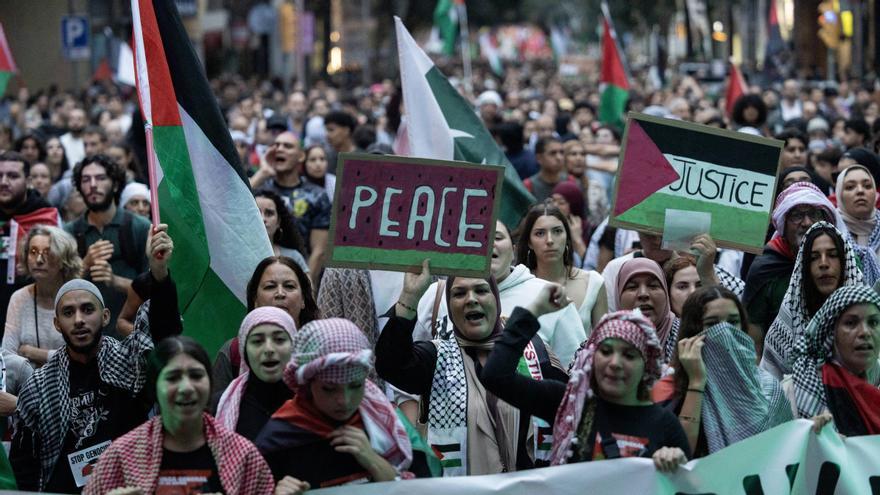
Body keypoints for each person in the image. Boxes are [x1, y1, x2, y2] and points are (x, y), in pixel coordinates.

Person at [9, 225, 181, 493]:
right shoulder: (39, 386)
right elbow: (24, 466)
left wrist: (158, 273)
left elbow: (164, 334)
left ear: (105, 317)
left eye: (87, 310)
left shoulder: (129, 362)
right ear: (56, 323)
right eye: (68, 312)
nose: (78, 320)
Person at [376, 261, 568, 475]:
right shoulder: (436, 357)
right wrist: (410, 297)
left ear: (496, 299)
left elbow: (571, 408)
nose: (471, 299)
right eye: (459, 294)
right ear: (449, 306)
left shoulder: (535, 350)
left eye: (481, 290)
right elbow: (389, 365)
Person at [480, 291, 690, 471]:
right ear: (591, 358)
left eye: (628, 355)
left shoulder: (666, 426)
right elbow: (496, 376)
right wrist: (535, 310)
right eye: (605, 351)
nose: (615, 363)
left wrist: (676, 464)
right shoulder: (570, 405)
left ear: (645, 366)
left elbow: (689, 487)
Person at [84, 336, 274, 494]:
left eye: (196, 376)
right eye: (173, 378)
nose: (186, 388)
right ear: (154, 388)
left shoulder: (243, 456)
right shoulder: (121, 456)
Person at [257, 318, 427, 489]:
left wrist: (374, 462)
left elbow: (427, 486)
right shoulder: (279, 438)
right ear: (308, 384)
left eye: (355, 386)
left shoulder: (386, 422)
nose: (344, 400)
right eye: (329, 389)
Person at [415, 220, 584, 367]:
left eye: (497, 238)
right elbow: (408, 364)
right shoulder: (436, 294)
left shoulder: (549, 297)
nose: (488, 244)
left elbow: (574, 371)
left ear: (514, 251)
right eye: (476, 238)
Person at [651, 287, 791, 456]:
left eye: (733, 322)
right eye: (712, 324)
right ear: (693, 331)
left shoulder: (769, 386)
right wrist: (696, 382)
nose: (725, 332)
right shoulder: (669, 390)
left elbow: (788, 448)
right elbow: (682, 452)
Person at [744, 182, 847, 336]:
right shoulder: (765, 267)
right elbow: (754, 331)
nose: (806, 223)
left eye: (814, 214)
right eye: (797, 216)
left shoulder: (846, 259)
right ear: (783, 225)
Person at [762, 222, 863, 379]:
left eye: (832, 255)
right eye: (814, 257)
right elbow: (769, 389)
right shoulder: (783, 329)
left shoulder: (869, 319)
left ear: (844, 262)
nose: (823, 264)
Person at [66, 154, 151, 336]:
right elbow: (54, 294)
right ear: (79, 187)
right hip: (82, 340)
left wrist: (115, 281)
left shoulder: (139, 227)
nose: (93, 185)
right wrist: (84, 264)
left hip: (130, 338)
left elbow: (154, 291)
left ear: (115, 185)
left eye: (101, 178)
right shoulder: (68, 233)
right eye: (86, 179)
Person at [211, 256, 319, 396]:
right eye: (270, 286)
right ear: (255, 299)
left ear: (303, 299)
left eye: (289, 286)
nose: (280, 293)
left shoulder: (320, 351)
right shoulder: (233, 352)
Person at [787, 285, 880, 436]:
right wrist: (806, 435)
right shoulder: (793, 391)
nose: (865, 332)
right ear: (832, 333)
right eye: (851, 323)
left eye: (873, 322)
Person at [250, 131, 331, 277]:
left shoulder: (317, 195)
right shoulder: (262, 190)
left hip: (301, 274)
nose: (279, 149)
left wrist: (306, 286)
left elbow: (318, 251)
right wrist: (263, 172)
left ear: (301, 156)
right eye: (276, 145)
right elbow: (234, 204)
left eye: (287, 146)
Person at [516, 202, 606, 331]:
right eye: (540, 233)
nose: (550, 240)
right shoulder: (519, 285)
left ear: (567, 237)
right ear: (529, 242)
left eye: (557, 231)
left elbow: (604, 343)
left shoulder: (593, 282)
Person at [214, 307, 297, 440]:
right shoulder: (218, 406)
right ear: (244, 351)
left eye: (279, 340)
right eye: (257, 341)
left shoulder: (315, 405)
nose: (269, 349)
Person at [4, 225, 81, 366]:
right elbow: (7, 355)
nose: (39, 259)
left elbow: (83, 356)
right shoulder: (19, 298)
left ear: (64, 258)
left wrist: (32, 352)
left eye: (48, 252)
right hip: (27, 384)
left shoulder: (79, 296)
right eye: (33, 252)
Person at [0, 151, 58, 334]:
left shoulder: (46, 217)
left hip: (32, 314)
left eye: (12, 176)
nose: (3, 182)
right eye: (0, 175)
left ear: (28, 180)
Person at [616, 258, 681, 361]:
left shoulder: (687, 337)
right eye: (632, 287)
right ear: (618, 296)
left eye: (653, 286)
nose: (643, 294)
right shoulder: (602, 342)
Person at [835, 165, 880, 284]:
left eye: (867, 186)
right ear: (839, 194)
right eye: (850, 187)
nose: (860, 191)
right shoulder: (831, 230)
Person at [254, 190, 309, 275]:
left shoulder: (294, 257)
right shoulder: (237, 255)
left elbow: (308, 288)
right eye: (256, 213)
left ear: (278, 222)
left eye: (269, 213)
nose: (263, 219)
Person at [550, 180, 589, 265]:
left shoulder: (589, 230)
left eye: (561, 202)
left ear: (574, 205)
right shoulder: (547, 227)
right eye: (553, 201)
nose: (555, 206)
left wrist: (577, 240)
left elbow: (590, 265)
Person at [524, 137, 566, 203]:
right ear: (539, 158)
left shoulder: (571, 181)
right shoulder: (528, 186)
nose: (559, 157)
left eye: (561, 152)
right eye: (553, 153)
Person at [323, 111, 358, 175]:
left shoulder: (362, 157)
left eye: (331, 130)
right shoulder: (325, 157)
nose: (327, 135)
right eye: (326, 130)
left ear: (346, 130)